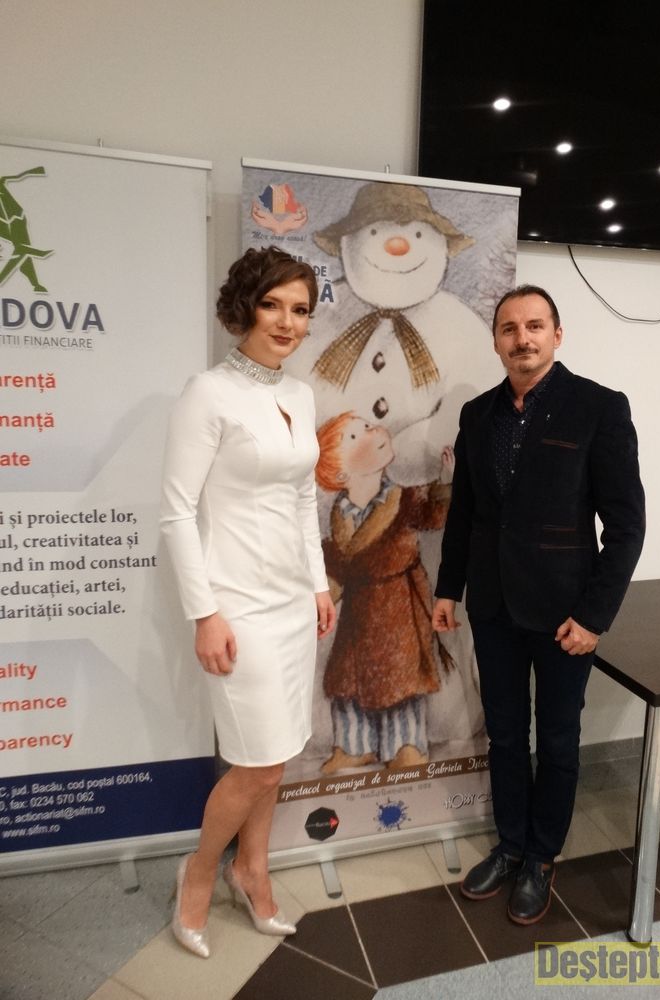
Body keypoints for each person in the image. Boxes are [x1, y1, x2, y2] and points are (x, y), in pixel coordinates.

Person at [432, 284, 645, 925]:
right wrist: (448, 588)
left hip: (564, 617)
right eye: (509, 328)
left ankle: (542, 858)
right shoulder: (477, 414)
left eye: (534, 326)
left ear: (557, 334)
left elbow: (626, 527)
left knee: (556, 740)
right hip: (494, 608)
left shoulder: (599, 407)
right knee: (503, 734)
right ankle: (511, 845)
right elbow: (466, 515)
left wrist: (595, 618)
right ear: (496, 341)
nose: (521, 338)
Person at [160, 246, 336, 958]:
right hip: (235, 605)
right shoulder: (207, 393)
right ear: (244, 308)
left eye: (300, 310)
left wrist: (318, 584)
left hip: (292, 603)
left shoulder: (301, 395)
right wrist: (204, 613)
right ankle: (201, 871)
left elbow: (301, 499)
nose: (287, 322)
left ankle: (252, 869)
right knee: (257, 762)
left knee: (279, 752)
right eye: (272, 305)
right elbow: (176, 512)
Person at [314, 412, 454, 773]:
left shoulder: (404, 499)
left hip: (399, 609)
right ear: (340, 473)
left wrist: (445, 482)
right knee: (347, 682)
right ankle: (352, 745)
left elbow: (434, 516)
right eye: (355, 435)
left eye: (369, 425)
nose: (373, 430)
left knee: (400, 681)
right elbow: (336, 566)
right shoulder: (340, 516)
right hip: (357, 617)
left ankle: (405, 745)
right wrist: (322, 599)